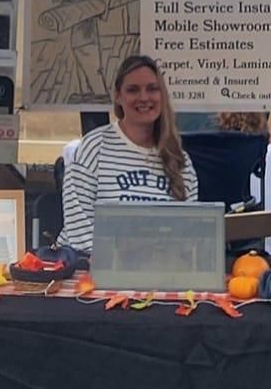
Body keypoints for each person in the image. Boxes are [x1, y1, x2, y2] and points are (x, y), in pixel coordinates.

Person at [59, 55, 198, 253]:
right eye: (133, 90)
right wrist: (116, 269)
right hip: (94, 273)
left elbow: (189, 236)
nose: (144, 98)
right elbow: (78, 228)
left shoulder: (181, 161)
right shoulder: (94, 147)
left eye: (152, 89)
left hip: (158, 274)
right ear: (118, 96)